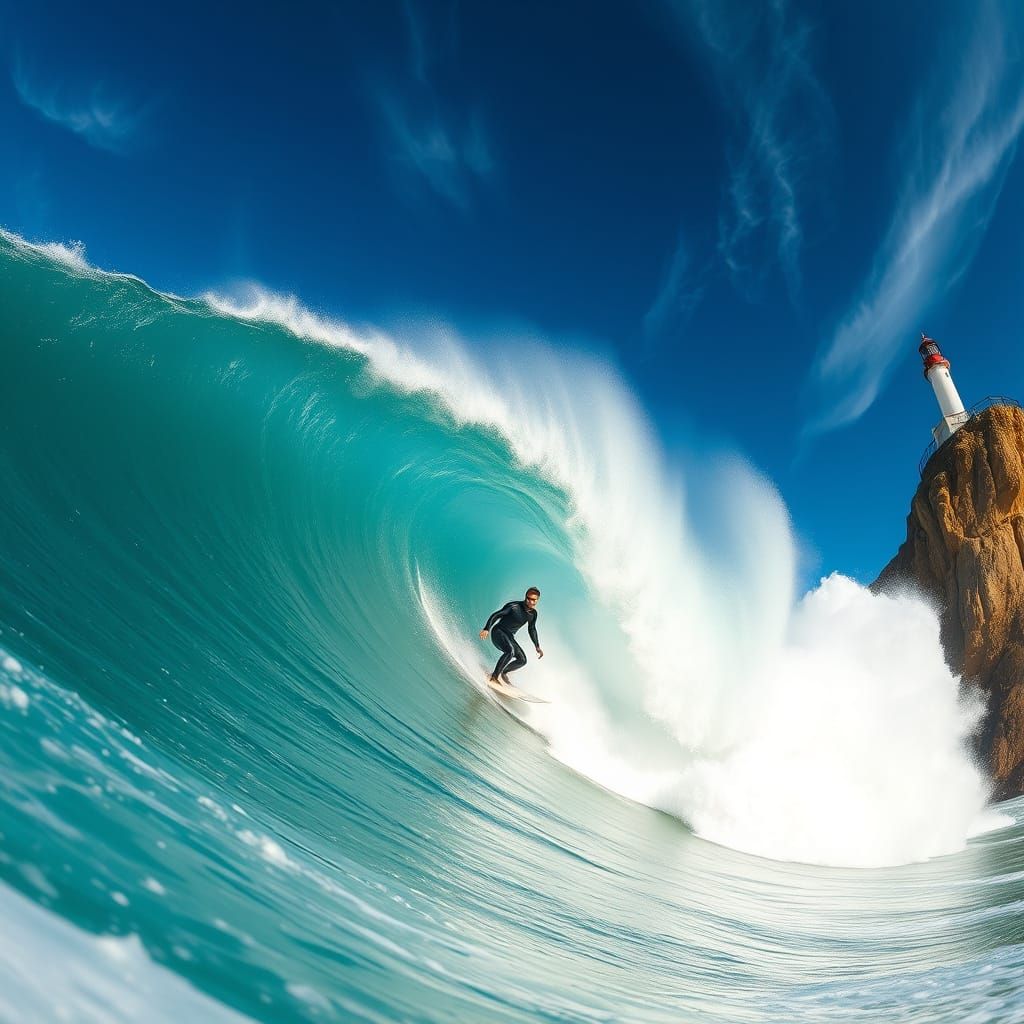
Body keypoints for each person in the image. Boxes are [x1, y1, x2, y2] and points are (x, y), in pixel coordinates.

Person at [479, 588, 544, 686]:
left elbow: (532, 629)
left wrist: (537, 646)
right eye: (529, 598)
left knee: (522, 660)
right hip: (498, 632)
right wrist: (487, 628)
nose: (531, 601)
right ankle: (494, 677)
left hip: (509, 636)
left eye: (533, 600)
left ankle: (504, 673)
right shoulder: (514, 606)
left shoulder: (533, 614)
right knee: (510, 651)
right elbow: (496, 615)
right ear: (525, 597)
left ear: (537, 600)